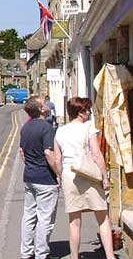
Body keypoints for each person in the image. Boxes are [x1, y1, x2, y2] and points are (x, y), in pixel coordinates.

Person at [54, 97, 115, 259]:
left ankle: (74, 257)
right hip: (89, 174)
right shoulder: (88, 128)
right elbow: (96, 154)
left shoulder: (60, 131)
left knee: (74, 221)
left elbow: (57, 159)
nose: (89, 112)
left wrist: (60, 177)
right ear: (80, 113)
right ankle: (110, 256)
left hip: (69, 175)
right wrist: (104, 177)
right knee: (102, 217)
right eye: (87, 110)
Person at [19, 95, 59, 259]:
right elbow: (48, 154)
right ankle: (42, 254)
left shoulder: (25, 128)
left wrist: (30, 166)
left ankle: (26, 252)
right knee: (45, 219)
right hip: (45, 179)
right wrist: (59, 174)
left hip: (29, 177)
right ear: (41, 110)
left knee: (29, 216)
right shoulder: (47, 128)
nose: (48, 104)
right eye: (44, 103)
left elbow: (22, 152)